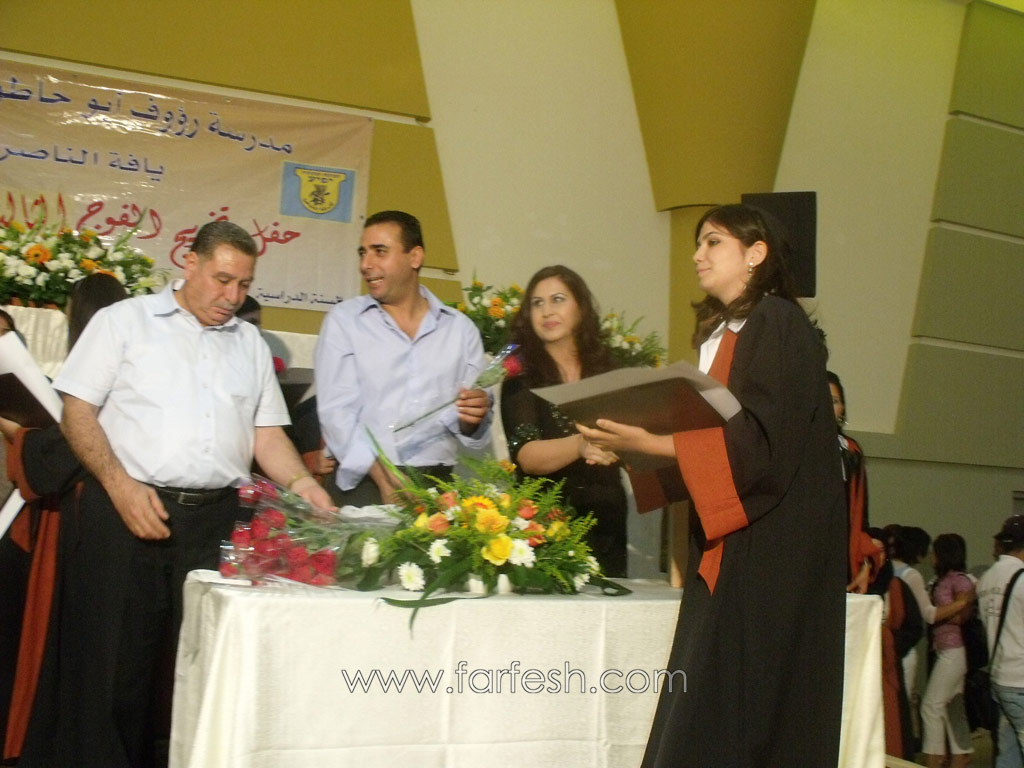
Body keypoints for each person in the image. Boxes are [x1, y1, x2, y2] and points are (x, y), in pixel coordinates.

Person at [34, 221, 333, 768]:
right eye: (222, 280)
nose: (233, 296)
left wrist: (305, 485)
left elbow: (266, 436)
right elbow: (76, 413)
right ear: (189, 264)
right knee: (115, 674)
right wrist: (121, 486)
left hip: (214, 525)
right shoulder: (124, 322)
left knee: (195, 670)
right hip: (127, 513)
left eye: (244, 285)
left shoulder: (248, 344)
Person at [578, 203, 847, 766]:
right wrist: (630, 446)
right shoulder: (727, 333)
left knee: (735, 716)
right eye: (697, 243)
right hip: (736, 541)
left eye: (713, 241)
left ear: (756, 253)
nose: (698, 255)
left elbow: (760, 446)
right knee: (710, 708)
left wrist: (653, 444)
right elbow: (719, 447)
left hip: (768, 552)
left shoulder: (777, 321)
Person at [1, 273, 128, 762]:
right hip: (92, 524)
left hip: (78, 532)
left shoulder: (98, 382)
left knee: (66, 654)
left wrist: (14, 428)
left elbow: (55, 455)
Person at [314, 210, 491, 506]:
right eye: (363, 253)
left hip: (436, 484)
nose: (366, 264)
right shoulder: (344, 322)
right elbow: (336, 413)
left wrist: (474, 415)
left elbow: (472, 426)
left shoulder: (460, 330)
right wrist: (385, 479)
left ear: (415, 257)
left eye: (379, 251)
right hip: (364, 482)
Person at [500, 265, 626, 576]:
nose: (547, 311)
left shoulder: (609, 370)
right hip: (544, 525)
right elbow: (526, 455)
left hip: (606, 518)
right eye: (537, 303)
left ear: (581, 307)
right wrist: (581, 444)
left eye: (558, 299)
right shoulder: (521, 377)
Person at [866, 527, 924, 759]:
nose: (876, 556)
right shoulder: (848, 586)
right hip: (859, 671)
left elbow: (914, 626)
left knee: (892, 727)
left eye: (881, 550)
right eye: (870, 550)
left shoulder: (897, 586)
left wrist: (889, 642)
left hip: (889, 669)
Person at [921, 533, 976, 768]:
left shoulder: (959, 581)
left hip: (954, 650)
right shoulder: (941, 580)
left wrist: (940, 613)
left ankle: (934, 759)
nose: (932, 557)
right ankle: (960, 755)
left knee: (930, 706)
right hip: (945, 649)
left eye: (935, 553)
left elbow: (962, 616)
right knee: (952, 707)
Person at [829, 370, 882, 593]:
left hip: (839, 567)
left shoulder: (851, 451)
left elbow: (861, 519)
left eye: (834, 401)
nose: (827, 406)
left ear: (842, 408)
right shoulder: (790, 446)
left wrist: (867, 563)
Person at [978, 515, 1024, 767]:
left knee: (1008, 753)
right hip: (1020, 679)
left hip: (1000, 678)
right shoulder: (1021, 578)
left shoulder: (987, 577)